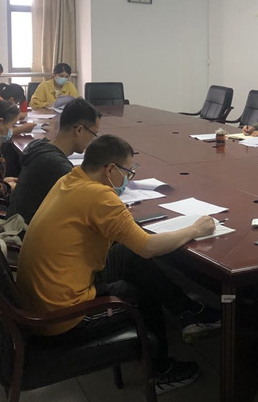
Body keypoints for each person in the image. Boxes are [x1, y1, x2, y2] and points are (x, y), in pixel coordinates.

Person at [16, 134, 220, 394]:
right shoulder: (100, 197)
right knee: (139, 296)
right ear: (110, 169)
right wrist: (194, 229)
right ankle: (160, 372)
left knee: (126, 255)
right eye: (127, 172)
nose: (128, 179)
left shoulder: (69, 180)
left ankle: (188, 311)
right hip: (61, 316)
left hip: (43, 293)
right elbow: (148, 247)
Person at [7, 99, 101, 223]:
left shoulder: (39, 146)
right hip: (28, 231)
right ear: (79, 130)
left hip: (17, 223)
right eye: (94, 134)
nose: (92, 140)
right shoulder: (58, 166)